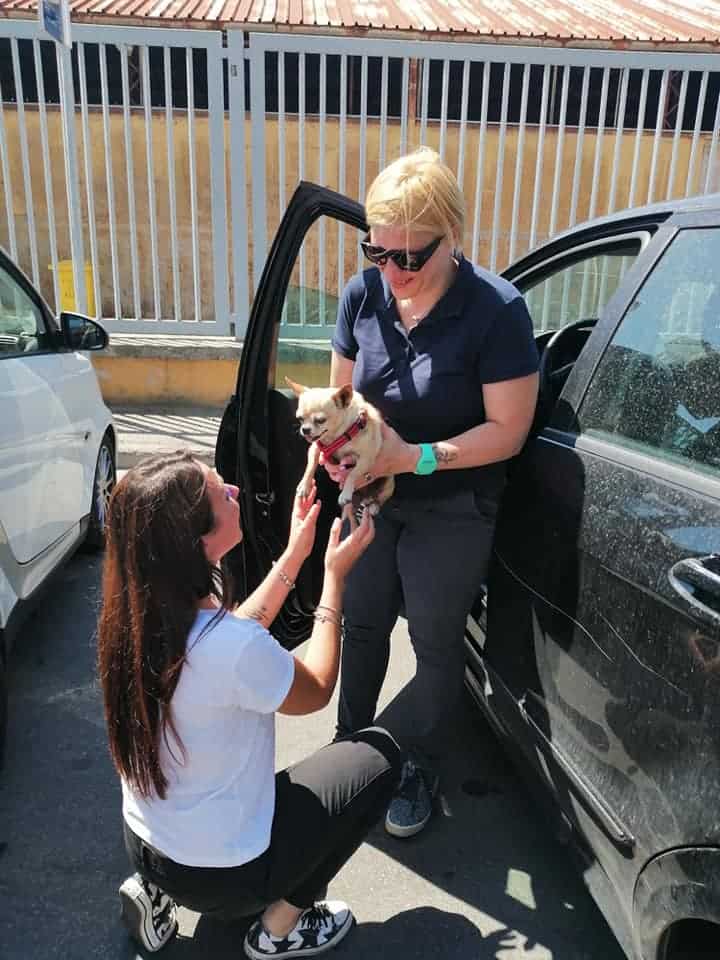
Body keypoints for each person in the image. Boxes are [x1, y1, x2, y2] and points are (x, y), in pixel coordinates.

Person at [98, 451, 402, 958]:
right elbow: (319, 687)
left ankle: (155, 893)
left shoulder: (135, 618)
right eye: (223, 493)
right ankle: (278, 928)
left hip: (146, 845)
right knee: (380, 757)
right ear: (196, 543)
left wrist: (295, 554)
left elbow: (234, 637)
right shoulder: (228, 648)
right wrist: (334, 579)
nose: (237, 491)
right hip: (224, 877)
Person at [324, 147, 539, 838]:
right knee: (360, 626)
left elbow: (507, 432)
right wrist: (326, 463)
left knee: (434, 641)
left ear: (454, 238)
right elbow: (341, 400)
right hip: (369, 499)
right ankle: (349, 753)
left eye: (408, 257)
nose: (390, 271)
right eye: (375, 251)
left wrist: (411, 457)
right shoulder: (364, 294)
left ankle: (412, 763)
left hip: (451, 507)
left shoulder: (497, 311)